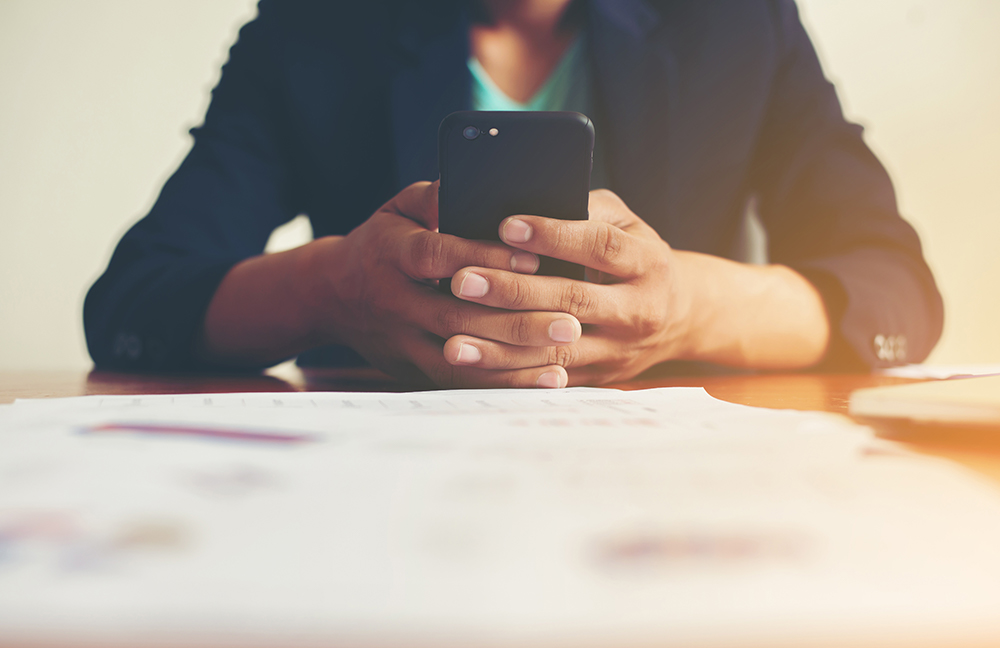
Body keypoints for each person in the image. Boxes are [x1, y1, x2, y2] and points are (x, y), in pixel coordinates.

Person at [84, 0, 943, 388]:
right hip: (374, 484)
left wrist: (689, 305)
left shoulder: (736, 20)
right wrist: (329, 287)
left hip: (664, 480)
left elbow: (894, 287)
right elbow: (136, 297)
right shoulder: (312, 29)